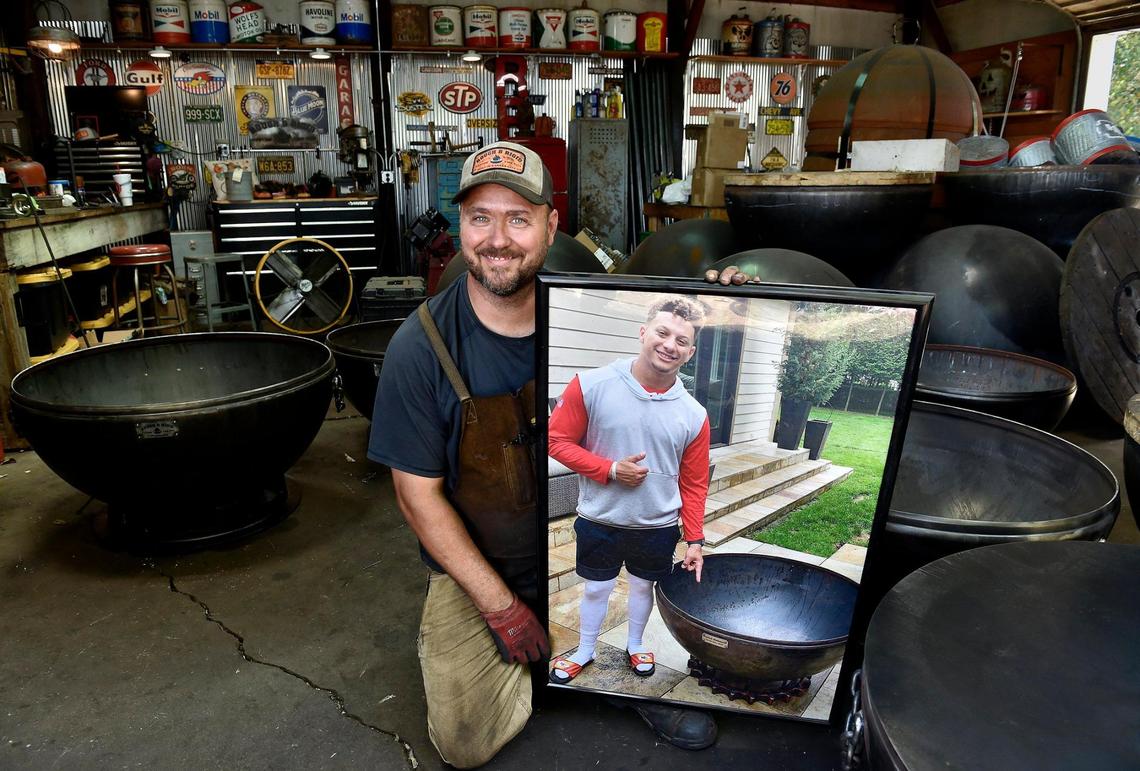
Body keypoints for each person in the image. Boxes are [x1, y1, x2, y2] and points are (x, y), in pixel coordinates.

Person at [369, 141, 742, 768]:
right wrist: (500, 606)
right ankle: (548, 659)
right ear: (460, 225)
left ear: (550, 226)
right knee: (464, 744)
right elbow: (416, 495)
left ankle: (610, 671)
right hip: (484, 565)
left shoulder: (595, 311)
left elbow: (684, 319)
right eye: (479, 217)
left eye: (518, 218)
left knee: (636, 597)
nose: (497, 239)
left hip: (597, 533)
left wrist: (740, 298)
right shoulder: (422, 345)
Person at [546, 297, 709, 694]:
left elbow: (694, 481)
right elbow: (555, 440)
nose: (670, 345)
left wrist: (695, 539)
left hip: (655, 525)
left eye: (681, 340)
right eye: (663, 332)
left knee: (641, 587)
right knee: (597, 588)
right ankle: (584, 649)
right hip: (600, 518)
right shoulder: (592, 385)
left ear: (690, 353)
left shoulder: (694, 413)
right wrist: (609, 469)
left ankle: (635, 646)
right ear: (643, 332)